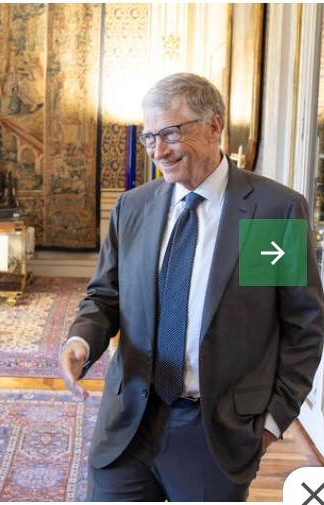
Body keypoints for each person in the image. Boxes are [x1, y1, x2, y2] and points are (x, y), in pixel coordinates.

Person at [59, 72, 324, 501]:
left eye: (170, 134)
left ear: (214, 126)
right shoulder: (133, 207)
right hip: (128, 422)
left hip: (214, 434)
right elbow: (105, 297)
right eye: (149, 138)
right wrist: (82, 339)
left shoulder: (269, 212)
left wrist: (272, 423)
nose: (158, 151)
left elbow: (303, 326)